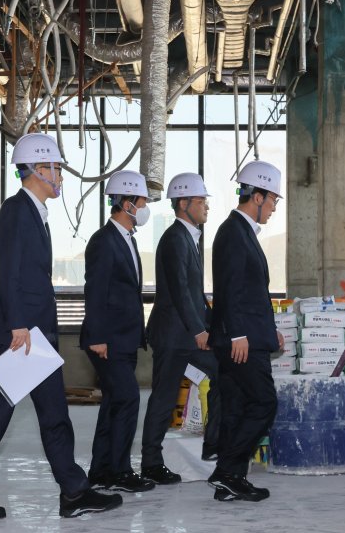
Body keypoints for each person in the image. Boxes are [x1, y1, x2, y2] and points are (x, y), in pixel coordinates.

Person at [0, 133, 121, 520]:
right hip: (20, 335)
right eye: (55, 168)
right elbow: (9, 272)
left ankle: (74, 492)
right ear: (36, 170)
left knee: (54, 414)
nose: (59, 176)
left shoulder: (35, 214)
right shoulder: (16, 211)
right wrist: (18, 325)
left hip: (34, 336)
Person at [207, 160, 285, 502]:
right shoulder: (233, 232)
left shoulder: (241, 232)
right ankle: (227, 471)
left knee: (238, 406)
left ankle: (231, 479)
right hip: (240, 341)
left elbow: (252, 292)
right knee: (265, 403)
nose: (273, 208)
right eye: (272, 201)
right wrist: (239, 333)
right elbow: (230, 287)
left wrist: (271, 330)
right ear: (257, 196)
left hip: (248, 336)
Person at [140, 172, 220, 485]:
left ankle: (214, 444)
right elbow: (179, 290)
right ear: (184, 204)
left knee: (219, 374)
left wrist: (210, 325)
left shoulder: (190, 238)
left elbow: (196, 293)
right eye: (201, 202)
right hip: (174, 335)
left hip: (186, 332)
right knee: (163, 397)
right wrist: (199, 331)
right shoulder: (175, 239)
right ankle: (150, 462)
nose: (206, 207)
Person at [80, 170, 154, 493]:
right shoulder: (104, 240)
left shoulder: (127, 240)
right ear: (126, 204)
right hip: (106, 340)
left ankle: (101, 470)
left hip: (123, 339)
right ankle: (121, 472)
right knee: (127, 398)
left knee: (114, 401)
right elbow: (95, 290)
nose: (146, 207)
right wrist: (97, 337)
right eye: (142, 201)